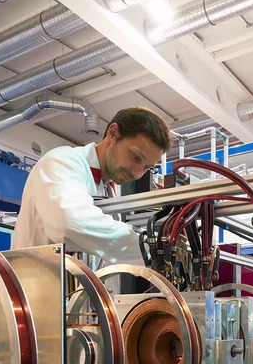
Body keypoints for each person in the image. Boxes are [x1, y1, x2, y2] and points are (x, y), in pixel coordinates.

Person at [11, 106, 170, 262]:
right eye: (136, 157)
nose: (137, 173)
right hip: (34, 285)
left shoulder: (108, 189)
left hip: (73, 287)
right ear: (113, 134)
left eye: (146, 168)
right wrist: (153, 246)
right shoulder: (62, 161)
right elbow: (69, 224)